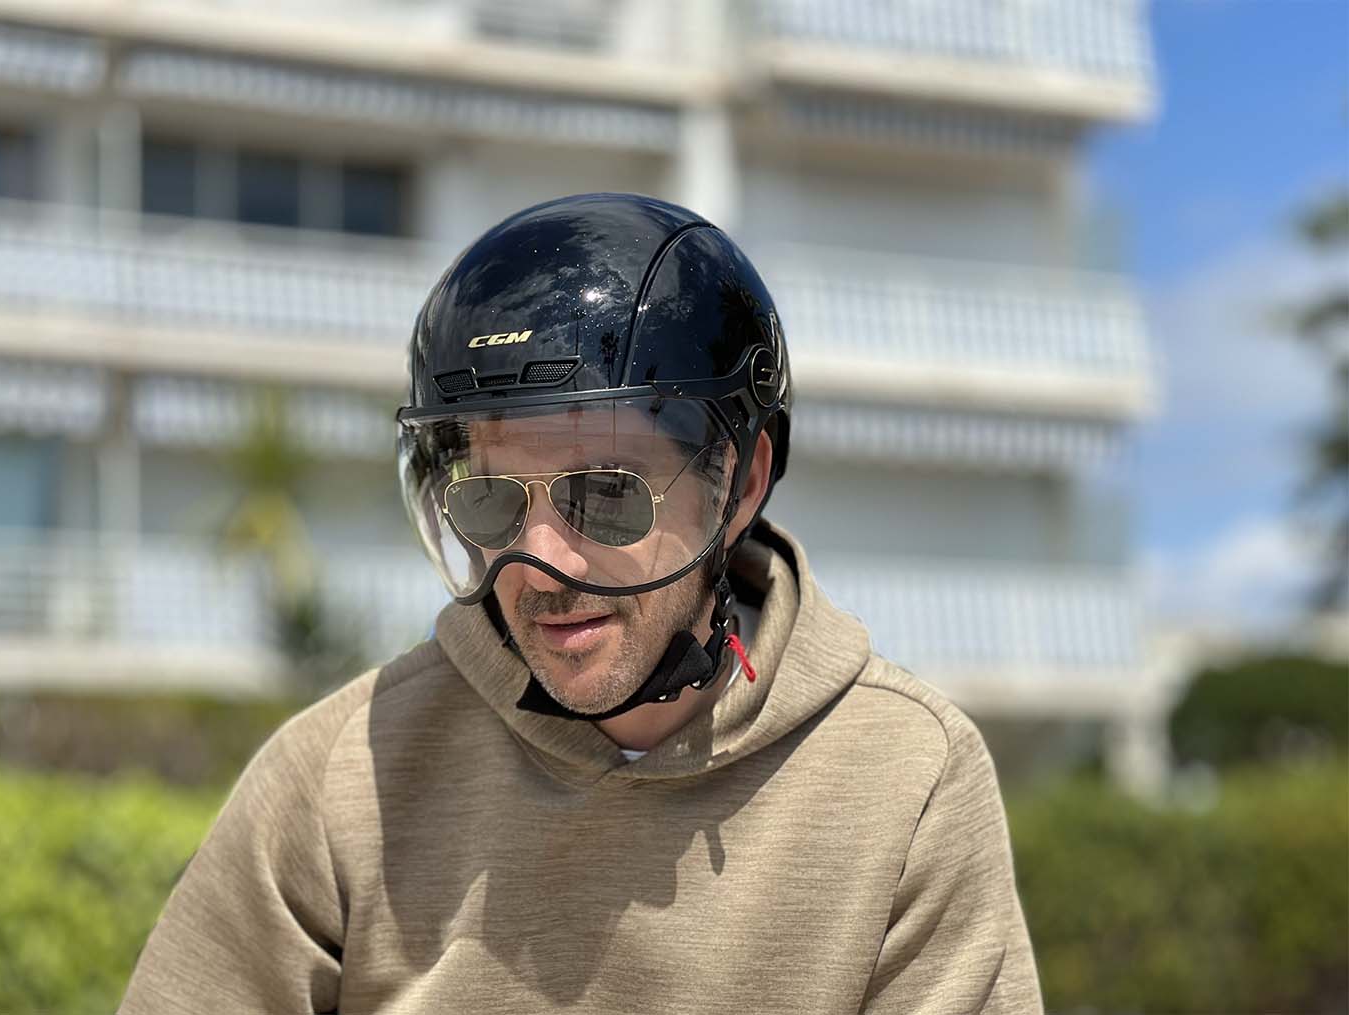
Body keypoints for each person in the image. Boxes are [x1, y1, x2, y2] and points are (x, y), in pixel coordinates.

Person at [119, 193, 1042, 1013]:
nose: (543, 563)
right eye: (490, 502)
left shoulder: (906, 777)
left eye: (606, 494)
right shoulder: (341, 778)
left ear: (740, 482)